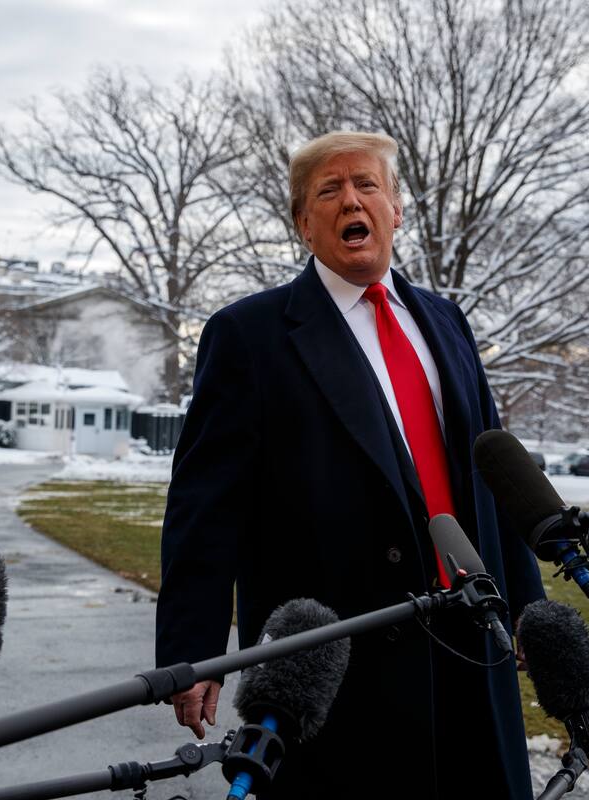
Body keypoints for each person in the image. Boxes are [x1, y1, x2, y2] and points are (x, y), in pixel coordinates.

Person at [156, 131, 544, 799]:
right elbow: (206, 505)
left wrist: (530, 611)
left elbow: (494, 474)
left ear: (395, 208)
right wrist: (193, 652)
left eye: (366, 185)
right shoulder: (249, 335)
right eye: (327, 192)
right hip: (334, 661)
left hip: (471, 641)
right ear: (304, 223)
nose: (350, 200)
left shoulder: (447, 322)